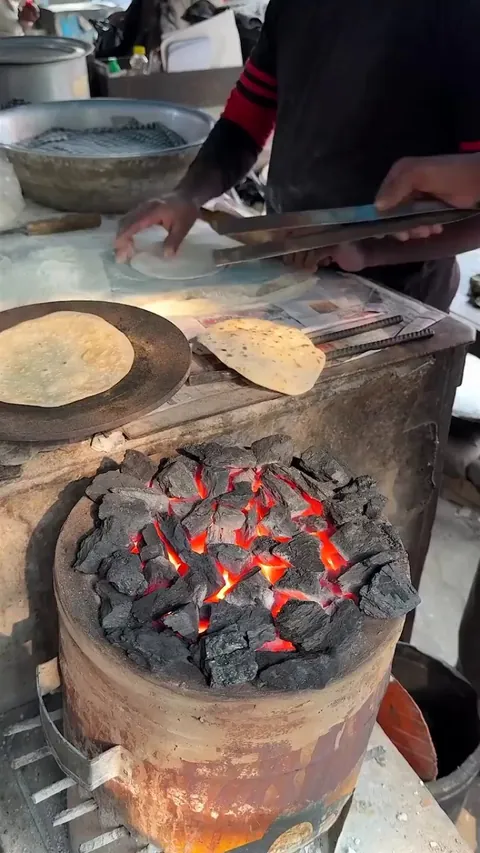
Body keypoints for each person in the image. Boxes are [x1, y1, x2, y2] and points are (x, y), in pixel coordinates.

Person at [115, 0, 480, 312]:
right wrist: (188, 194)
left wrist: (365, 250)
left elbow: (473, 204)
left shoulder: (457, 13)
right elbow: (245, 119)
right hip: (288, 258)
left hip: (400, 290)